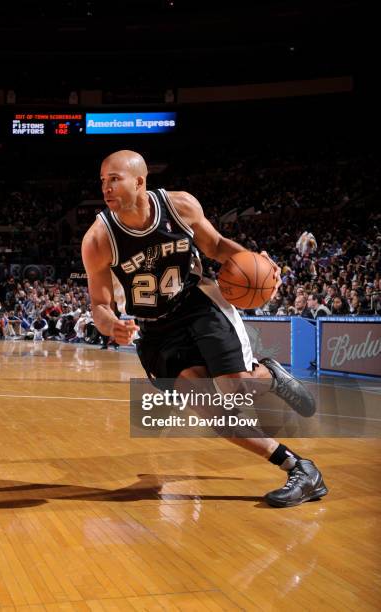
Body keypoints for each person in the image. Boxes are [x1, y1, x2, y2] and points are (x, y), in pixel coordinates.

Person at [82, 150, 328, 508]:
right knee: (210, 407)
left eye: (114, 179)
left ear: (139, 181)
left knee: (234, 387)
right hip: (156, 331)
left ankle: (270, 376)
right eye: (102, 181)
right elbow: (99, 305)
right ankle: (300, 468)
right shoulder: (98, 239)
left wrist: (256, 261)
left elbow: (215, 246)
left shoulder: (179, 206)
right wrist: (112, 326)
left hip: (199, 304)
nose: (106, 188)